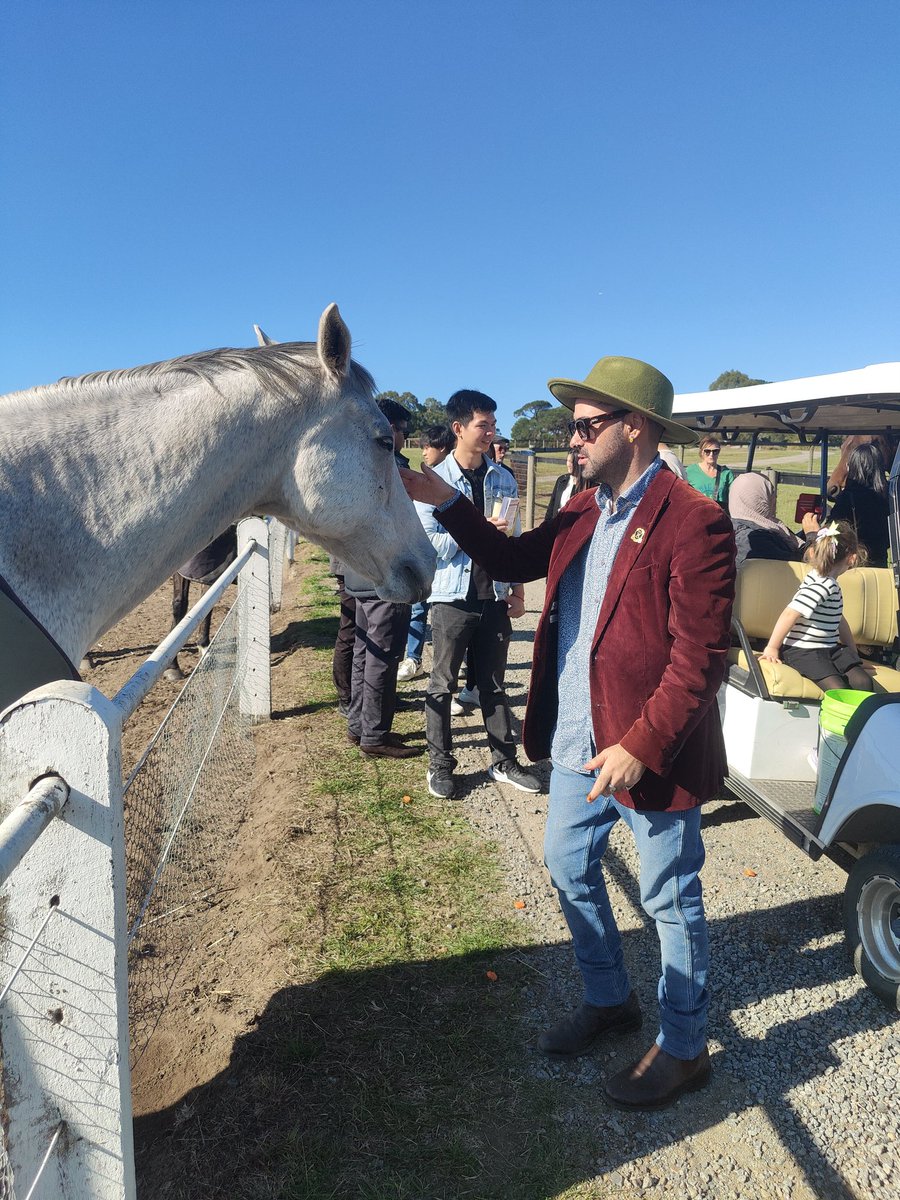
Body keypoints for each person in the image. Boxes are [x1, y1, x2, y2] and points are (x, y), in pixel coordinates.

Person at [402, 355, 735, 1110]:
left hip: (646, 752)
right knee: (566, 864)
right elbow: (518, 557)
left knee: (670, 900)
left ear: (635, 428)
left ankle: (685, 1048)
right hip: (576, 743)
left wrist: (642, 745)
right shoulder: (585, 508)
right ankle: (610, 998)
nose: (572, 440)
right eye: (570, 428)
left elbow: (699, 662)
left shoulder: (695, 520)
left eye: (584, 427)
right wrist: (442, 499)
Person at [413, 389, 540, 800]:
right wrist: (475, 532)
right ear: (459, 428)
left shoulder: (502, 477)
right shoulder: (434, 481)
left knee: (494, 684)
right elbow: (428, 545)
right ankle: (440, 766)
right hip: (452, 596)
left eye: (493, 426)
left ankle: (504, 761)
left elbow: (516, 538)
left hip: (495, 595)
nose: (491, 433)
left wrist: (518, 590)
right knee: (442, 683)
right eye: (483, 425)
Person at [341, 397, 421, 759]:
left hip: (358, 570)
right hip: (384, 571)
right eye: (403, 430)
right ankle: (375, 734)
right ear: (390, 428)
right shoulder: (389, 466)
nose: (404, 437)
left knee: (363, 650)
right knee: (382, 656)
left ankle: (358, 726)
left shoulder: (353, 462)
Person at [760, 522, 873, 694]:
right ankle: (839, 719)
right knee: (838, 690)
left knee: (863, 682)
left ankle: (861, 719)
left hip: (827, 648)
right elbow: (790, 613)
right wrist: (772, 647)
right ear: (852, 558)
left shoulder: (829, 583)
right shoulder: (821, 585)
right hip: (804, 651)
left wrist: (852, 653)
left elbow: (839, 620)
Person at [398, 425, 456, 683]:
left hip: (449, 561)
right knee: (418, 609)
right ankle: (413, 658)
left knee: (449, 618)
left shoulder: (455, 480)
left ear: (441, 447)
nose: (422, 453)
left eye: (426, 447)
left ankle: (452, 666)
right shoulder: (422, 478)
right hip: (425, 554)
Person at [729, 471, 819, 569]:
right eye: (771, 493)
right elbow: (801, 566)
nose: (774, 499)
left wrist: (805, 533)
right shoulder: (754, 539)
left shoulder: (735, 528)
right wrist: (813, 537)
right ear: (759, 498)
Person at [828, 443, 889, 568]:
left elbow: (832, 530)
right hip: (881, 562)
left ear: (851, 467)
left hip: (855, 563)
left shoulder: (847, 498)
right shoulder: (889, 496)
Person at [685, 435, 734, 507]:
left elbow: (734, 498)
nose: (711, 454)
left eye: (715, 451)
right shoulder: (689, 471)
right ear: (701, 452)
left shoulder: (726, 473)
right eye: (707, 451)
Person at [544, 451, 582, 522]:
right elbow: (551, 506)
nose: (568, 464)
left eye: (571, 462)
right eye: (567, 461)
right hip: (556, 526)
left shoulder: (586, 485)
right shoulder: (561, 480)